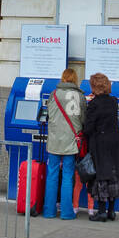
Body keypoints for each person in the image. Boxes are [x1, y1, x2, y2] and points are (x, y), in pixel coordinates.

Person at [43, 68, 85, 220]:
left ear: (62, 78)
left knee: (52, 175)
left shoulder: (53, 94)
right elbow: (83, 119)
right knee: (68, 176)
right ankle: (67, 213)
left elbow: (48, 114)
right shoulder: (80, 96)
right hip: (71, 142)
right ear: (75, 79)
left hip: (54, 140)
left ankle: (49, 211)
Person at [83, 72, 119, 222]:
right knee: (113, 175)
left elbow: (88, 128)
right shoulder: (113, 101)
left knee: (101, 175)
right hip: (114, 142)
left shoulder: (94, 104)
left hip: (100, 143)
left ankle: (101, 212)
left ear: (94, 86)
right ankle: (111, 211)